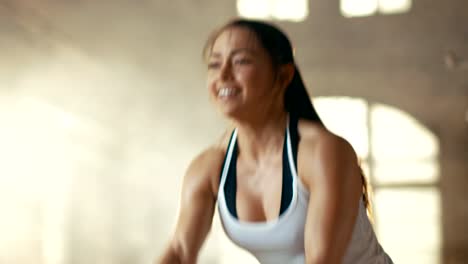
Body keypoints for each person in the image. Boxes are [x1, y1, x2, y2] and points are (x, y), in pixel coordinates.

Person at [156, 19, 393, 264]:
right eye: (214, 64)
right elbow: (180, 252)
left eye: (241, 61)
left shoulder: (323, 152)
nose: (223, 74)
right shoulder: (209, 167)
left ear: (283, 75)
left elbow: (321, 261)